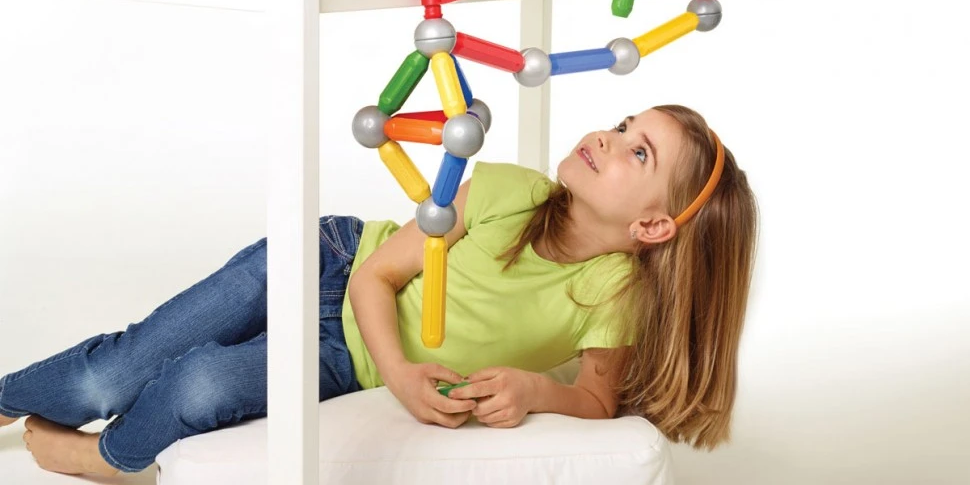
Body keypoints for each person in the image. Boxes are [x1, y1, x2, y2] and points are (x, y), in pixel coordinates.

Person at [0, 104, 758, 476]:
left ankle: (115, 458)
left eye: (637, 152)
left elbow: (595, 398)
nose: (606, 138)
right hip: (332, 261)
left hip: (345, 358)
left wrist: (535, 389)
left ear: (654, 225)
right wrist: (399, 374)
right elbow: (378, 275)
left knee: (196, 384)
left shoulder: (614, 293)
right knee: (116, 371)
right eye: (622, 124)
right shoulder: (503, 190)